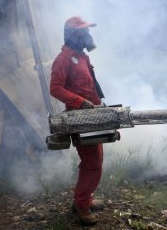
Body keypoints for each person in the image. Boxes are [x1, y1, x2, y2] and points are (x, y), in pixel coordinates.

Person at [50, 16, 105, 225]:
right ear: (73, 36)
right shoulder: (63, 59)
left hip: (92, 115)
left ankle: (84, 199)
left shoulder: (82, 57)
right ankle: (82, 205)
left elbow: (89, 85)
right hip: (79, 118)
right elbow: (55, 88)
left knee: (95, 161)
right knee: (92, 163)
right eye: (83, 32)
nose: (88, 36)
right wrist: (80, 102)